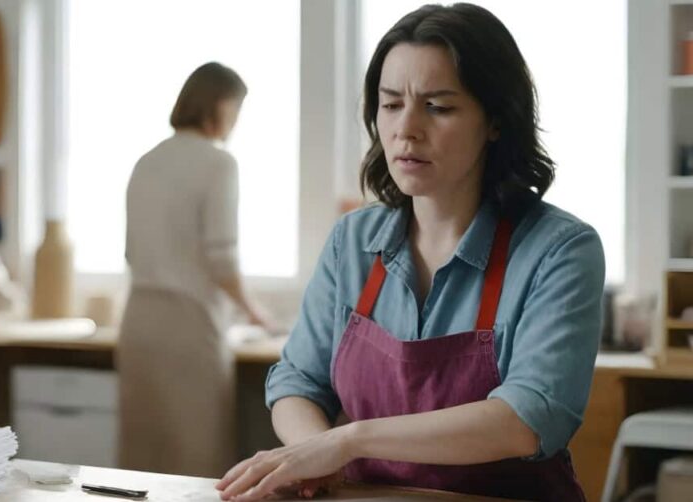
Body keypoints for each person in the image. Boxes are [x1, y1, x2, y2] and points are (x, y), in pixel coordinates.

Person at [216, 4, 604, 501]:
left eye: (438, 107)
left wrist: (348, 441)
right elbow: (295, 380)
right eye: (391, 103)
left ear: (496, 122)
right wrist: (313, 452)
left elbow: (529, 415)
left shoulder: (560, 250)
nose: (406, 128)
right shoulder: (351, 242)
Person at [118, 62, 274, 477]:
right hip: (187, 328)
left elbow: (132, 254)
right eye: (236, 111)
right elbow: (221, 259)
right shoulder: (218, 163)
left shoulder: (146, 161)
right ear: (221, 106)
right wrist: (257, 312)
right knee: (195, 467)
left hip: (137, 324)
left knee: (139, 467)